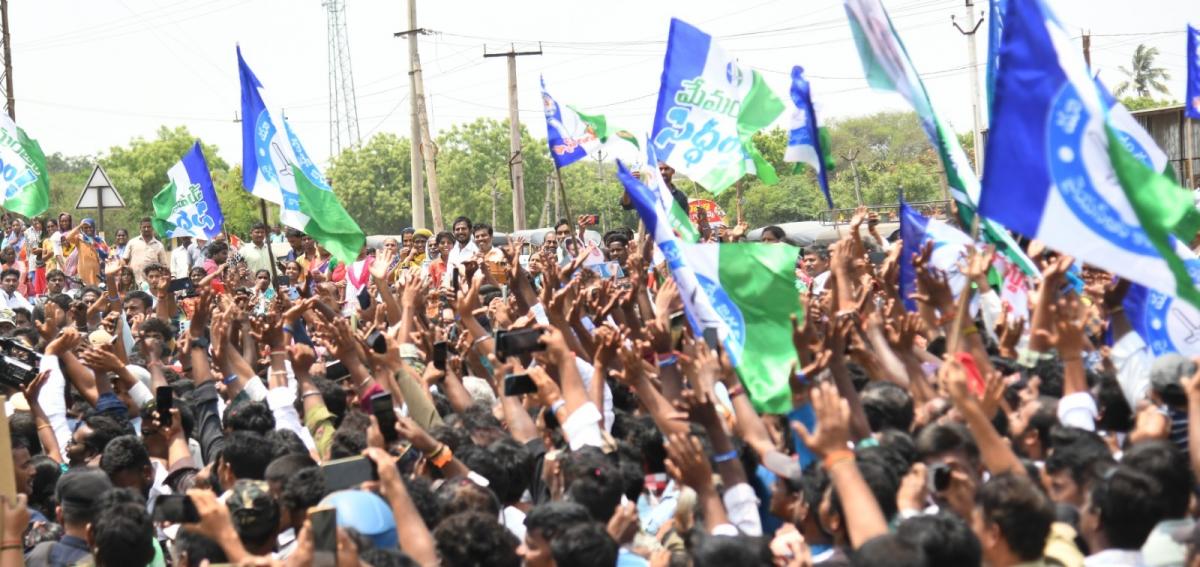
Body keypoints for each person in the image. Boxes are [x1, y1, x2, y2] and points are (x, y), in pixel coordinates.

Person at [123, 218, 168, 285]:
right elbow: (124, 261)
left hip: (152, 283)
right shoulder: (132, 242)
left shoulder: (159, 245)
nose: (146, 229)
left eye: (149, 227)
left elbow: (164, 265)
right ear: (140, 228)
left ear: (152, 228)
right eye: (144, 227)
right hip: (134, 282)